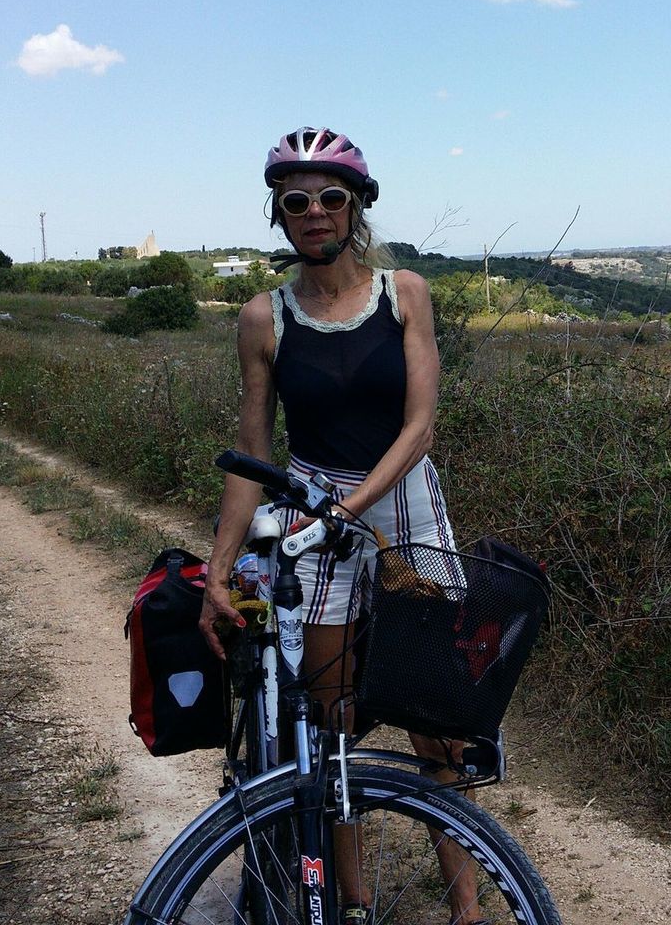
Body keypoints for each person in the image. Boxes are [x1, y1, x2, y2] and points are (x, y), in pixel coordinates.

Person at [199, 127, 482, 925]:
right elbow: (251, 454)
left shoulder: (404, 294)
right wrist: (219, 570)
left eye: (331, 197)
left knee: (436, 719)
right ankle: (351, 903)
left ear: (357, 206)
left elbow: (419, 426)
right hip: (310, 501)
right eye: (296, 202)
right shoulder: (264, 318)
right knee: (328, 723)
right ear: (279, 215)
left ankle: (467, 907)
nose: (315, 212)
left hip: (401, 503)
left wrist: (346, 515)